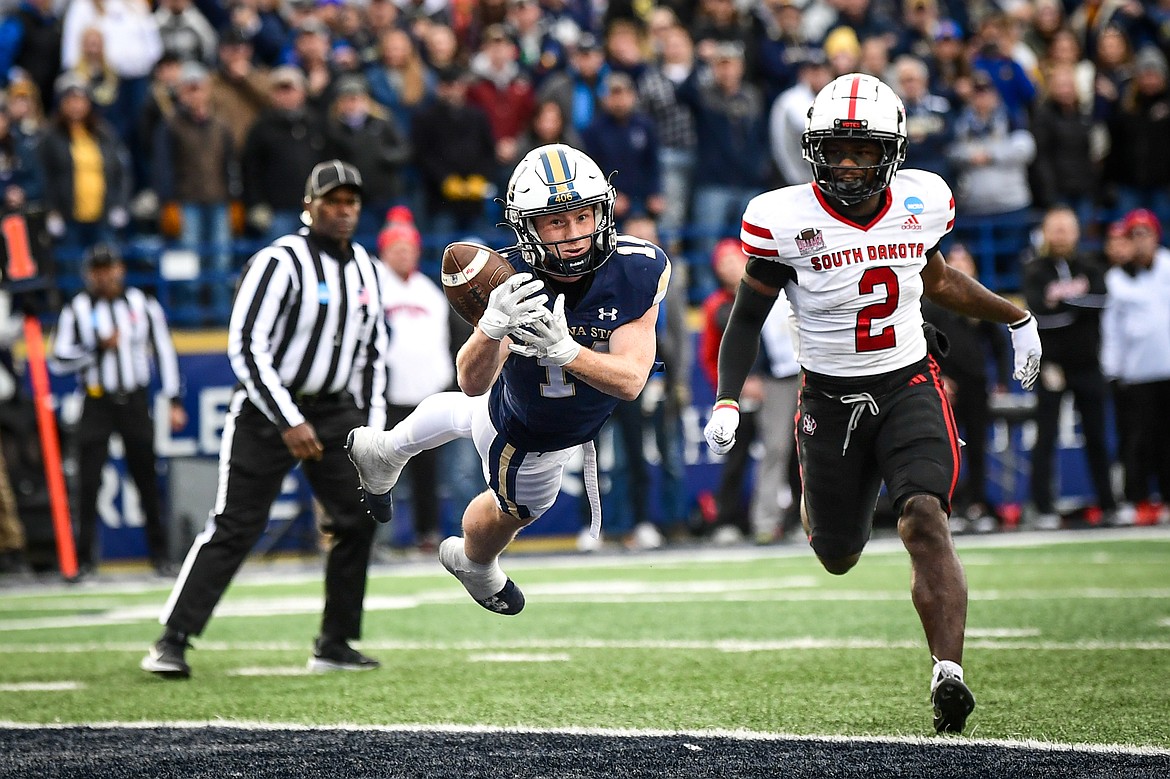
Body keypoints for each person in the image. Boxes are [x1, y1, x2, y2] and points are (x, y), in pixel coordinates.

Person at [701, 74, 1042, 734]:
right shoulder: (783, 218)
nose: (849, 164)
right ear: (814, 150)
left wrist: (1014, 317)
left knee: (923, 517)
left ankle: (949, 670)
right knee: (838, 551)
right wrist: (724, 400)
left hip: (908, 380)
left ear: (893, 151)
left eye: (863, 150)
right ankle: (819, 500)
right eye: (837, 149)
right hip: (827, 398)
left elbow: (937, 279)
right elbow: (745, 318)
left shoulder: (923, 201)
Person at [347, 143, 669, 615]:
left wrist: (568, 352)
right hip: (527, 435)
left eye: (583, 215)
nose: (574, 234)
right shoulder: (507, 276)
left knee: (472, 416)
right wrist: (490, 327)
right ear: (528, 225)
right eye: (556, 221)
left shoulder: (637, 268)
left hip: (528, 407)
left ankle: (386, 450)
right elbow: (472, 380)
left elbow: (630, 380)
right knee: (519, 509)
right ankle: (472, 561)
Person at [141, 160, 390, 679]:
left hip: (335, 411)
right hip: (266, 412)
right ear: (309, 205)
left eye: (351, 203)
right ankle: (173, 639)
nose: (343, 212)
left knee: (358, 517)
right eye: (333, 202)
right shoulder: (280, 260)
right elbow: (247, 348)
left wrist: (373, 430)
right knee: (236, 525)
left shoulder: (366, 264)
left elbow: (373, 353)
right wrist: (288, 419)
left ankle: (335, 641)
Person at [49, 244, 187, 577]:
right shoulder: (76, 309)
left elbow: (164, 351)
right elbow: (58, 360)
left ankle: (160, 556)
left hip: (134, 401)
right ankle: (83, 560)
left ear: (120, 269)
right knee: (87, 481)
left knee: (147, 479)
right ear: (88, 275)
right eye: (97, 270)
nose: (104, 276)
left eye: (108, 268)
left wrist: (174, 399)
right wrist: (95, 349)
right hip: (96, 401)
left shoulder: (142, 304)